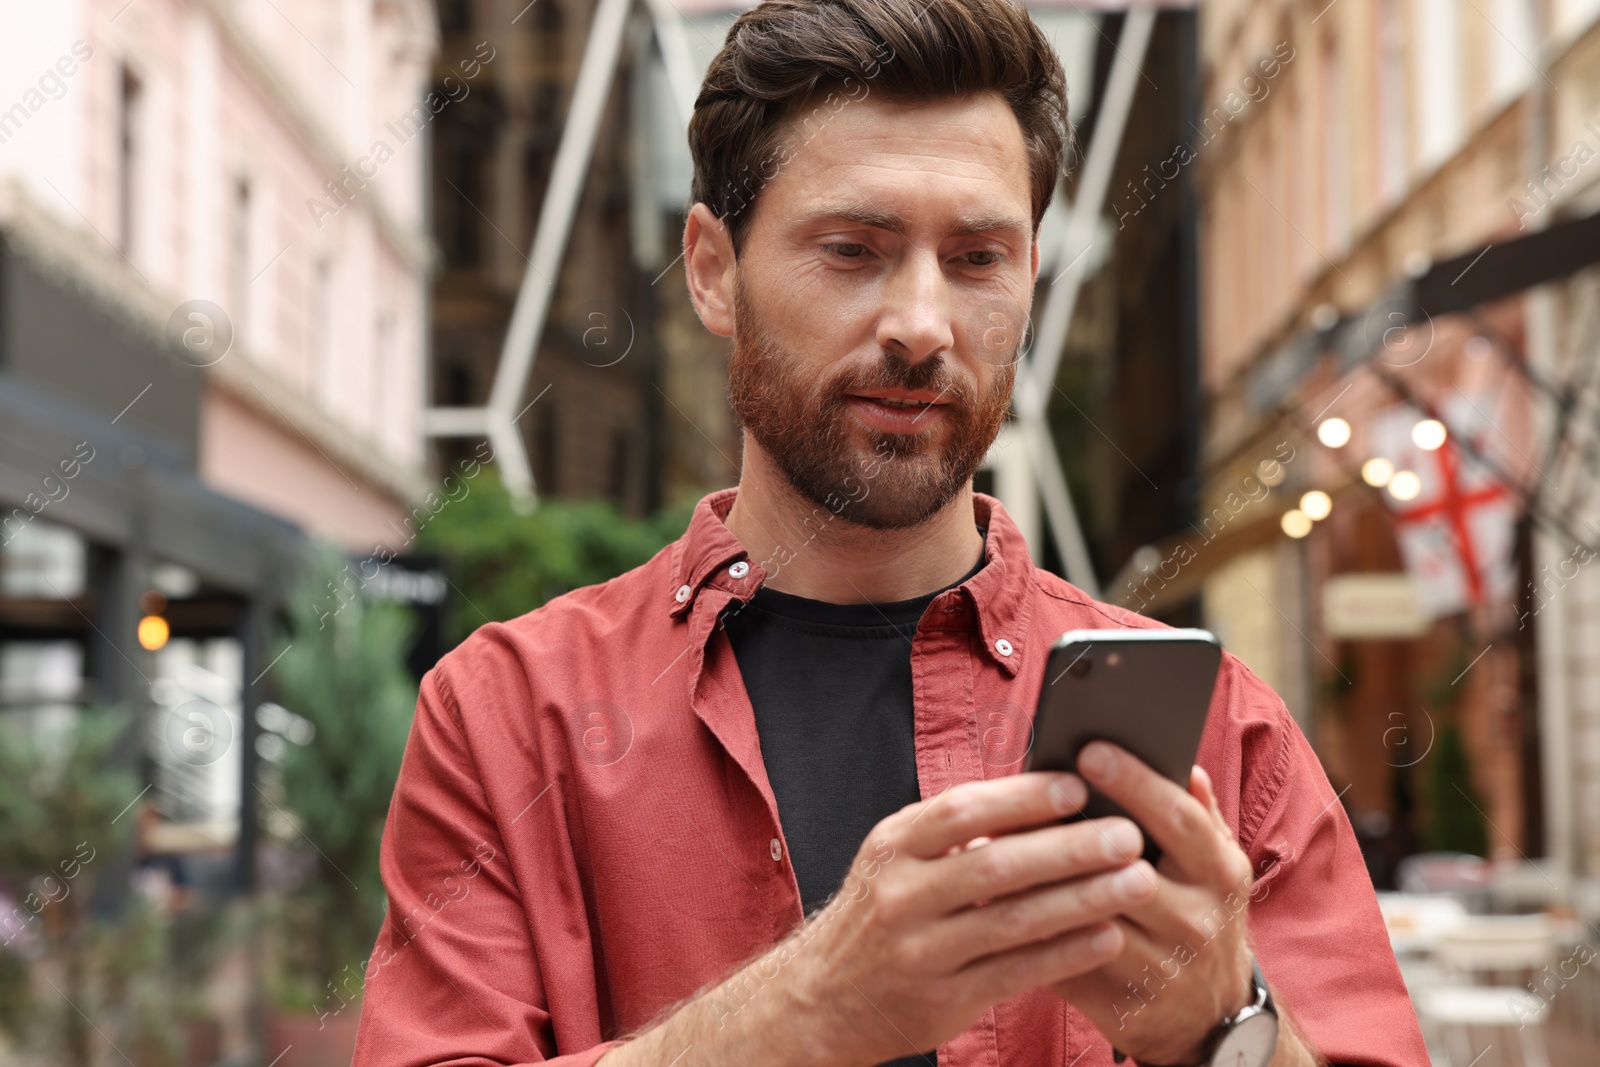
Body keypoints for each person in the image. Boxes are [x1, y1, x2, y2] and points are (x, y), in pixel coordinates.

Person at [351, 1, 1429, 1065]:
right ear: (713, 270)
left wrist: (1224, 1033)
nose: (921, 323)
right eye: (853, 249)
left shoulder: (1220, 731)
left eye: (976, 259)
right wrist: (795, 1016)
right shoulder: (507, 716)